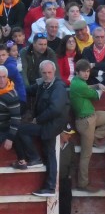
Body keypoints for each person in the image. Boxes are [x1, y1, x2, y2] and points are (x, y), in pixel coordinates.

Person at [19, 60, 69, 197]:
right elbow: (28, 90)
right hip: (47, 124)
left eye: (49, 72)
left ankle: (35, 160)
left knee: (21, 130)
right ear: (41, 72)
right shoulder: (43, 84)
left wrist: (37, 119)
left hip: (50, 125)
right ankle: (50, 186)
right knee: (49, 153)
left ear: (54, 72)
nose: (47, 75)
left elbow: (55, 109)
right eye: (44, 73)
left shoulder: (58, 87)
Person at [68, 58, 105, 190]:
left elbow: (87, 87)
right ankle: (83, 183)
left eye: (88, 71)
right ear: (77, 72)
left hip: (92, 116)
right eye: (84, 72)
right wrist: (99, 88)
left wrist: (96, 85)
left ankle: (96, 136)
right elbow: (96, 96)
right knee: (86, 154)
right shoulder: (79, 85)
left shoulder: (77, 82)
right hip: (85, 122)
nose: (86, 74)